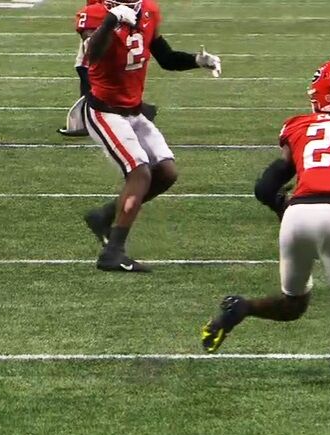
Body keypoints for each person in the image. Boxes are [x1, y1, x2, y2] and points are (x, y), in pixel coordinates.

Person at [201, 60, 330, 386]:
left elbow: (264, 188)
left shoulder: (299, 125)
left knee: (293, 304)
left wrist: (284, 207)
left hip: (295, 215)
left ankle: (241, 308)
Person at [76, 0, 221, 272]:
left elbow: (165, 58)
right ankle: (113, 252)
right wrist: (110, 22)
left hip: (132, 110)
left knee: (166, 173)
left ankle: (105, 216)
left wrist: (197, 61)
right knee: (140, 172)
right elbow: (91, 55)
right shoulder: (96, 13)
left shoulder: (149, 11)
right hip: (104, 111)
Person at [59, 0, 158, 137]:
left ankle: (95, 117)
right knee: (86, 67)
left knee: (87, 66)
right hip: (109, 22)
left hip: (112, 24)